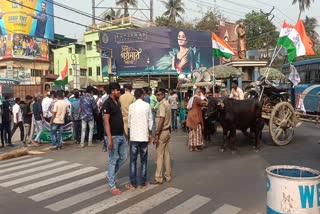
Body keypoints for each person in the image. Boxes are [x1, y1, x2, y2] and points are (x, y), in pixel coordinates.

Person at [102, 82, 128, 195]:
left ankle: (110, 175)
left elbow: (119, 119)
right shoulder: (107, 104)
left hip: (121, 135)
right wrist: (109, 138)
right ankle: (112, 185)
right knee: (113, 160)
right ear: (113, 91)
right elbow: (106, 122)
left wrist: (125, 134)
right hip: (112, 136)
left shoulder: (117, 102)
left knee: (123, 157)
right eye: (117, 90)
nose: (119, 92)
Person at [125, 88, 153, 190]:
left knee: (133, 161)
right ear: (142, 95)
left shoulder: (131, 106)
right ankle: (143, 183)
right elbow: (150, 121)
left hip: (134, 137)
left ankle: (133, 184)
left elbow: (129, 123)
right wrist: (150, 135)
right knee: (144, 160)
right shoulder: (147, 105)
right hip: (143, 137)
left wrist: (128, 136)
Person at [150, 88, 171, 184]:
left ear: (163, 95)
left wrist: (157, 134)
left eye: (158, 95)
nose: (157, 96)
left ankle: (158, 178)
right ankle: (168, 175)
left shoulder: (162, 105)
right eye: (156, 95)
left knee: (159, 155)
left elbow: (161, 119)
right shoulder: (167, 103)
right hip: (167, 131)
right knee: (166, 155)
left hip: (162, 132)